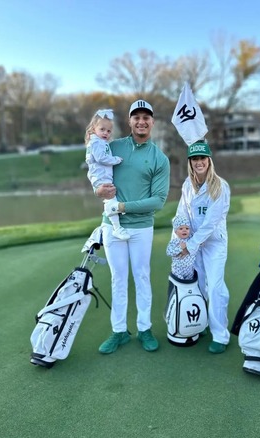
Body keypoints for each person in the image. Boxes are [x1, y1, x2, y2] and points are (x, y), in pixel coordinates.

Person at [95, 99, 170, 354]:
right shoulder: (112, 147)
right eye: (136, 116)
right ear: (129, 121)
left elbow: (158, 200)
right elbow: (96, 171)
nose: (141, 121)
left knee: (141, 276)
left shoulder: (159, 158)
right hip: (112, 227)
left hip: (140, 227)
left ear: (152, 122)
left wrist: (123, 207)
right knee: (118, 279)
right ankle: (119, 331)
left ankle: (144, 328)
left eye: (146, 117)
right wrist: (97, 190)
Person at [174, 140, 231, 354]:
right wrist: (179, 237)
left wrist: (190, 245)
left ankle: (220, 335)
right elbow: (182, 214)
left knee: (215, 287)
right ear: (190, 162)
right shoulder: (187, 186)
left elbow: (211, 223)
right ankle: (202, 324)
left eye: (202, 158)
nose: (199, 162)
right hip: (193, 244)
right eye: (195, 159)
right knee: (199, 286)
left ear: (209, 160)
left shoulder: (221, 186)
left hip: (214, 243)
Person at [85, 108, 129, 240]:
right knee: (110, 200)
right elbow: (101, 158)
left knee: (111, 199)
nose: (106, 133)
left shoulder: (100, 142)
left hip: (102, 176)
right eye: (102, 129)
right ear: (94, 128)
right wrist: (116, 159)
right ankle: (117, 228)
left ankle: (116, 212)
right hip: (100, 177)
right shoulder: (96, 143)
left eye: (109, 131)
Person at [166, 215, 196, 280]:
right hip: (178, 270)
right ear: (176, 231)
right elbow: (169, 252)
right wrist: (180, 248)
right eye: (181, 229)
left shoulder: (191, 239)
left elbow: (197, 244)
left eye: (187, 228)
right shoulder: (175, 241)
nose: (184, 230)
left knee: (189, 286)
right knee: (180, 286)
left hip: (190, 269)